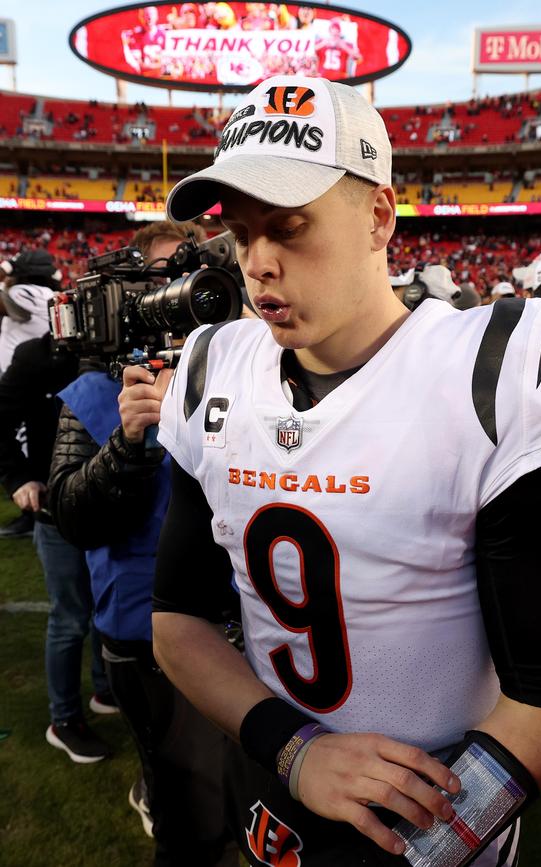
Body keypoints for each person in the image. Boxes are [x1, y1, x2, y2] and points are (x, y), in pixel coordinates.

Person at [152, 74, 541, 867]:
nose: (257, 262)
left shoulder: (492, 370)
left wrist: (417, 847)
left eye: (290, 226)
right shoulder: (212, 367)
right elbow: (177, 620)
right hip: (276, 790)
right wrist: (296, 751)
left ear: (379, 216)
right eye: (240, 232)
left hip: (441, 812)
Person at [48, 220, 238, 864]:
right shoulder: (97, 391)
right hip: (147, 631)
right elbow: (71, 516)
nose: (180, 299)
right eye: (164, 282)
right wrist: (126, 448)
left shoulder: (254, 376)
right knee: (195, 820)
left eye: (193, 282)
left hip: (257, 628)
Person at [0, 332, 117, 763]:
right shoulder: (38, 356)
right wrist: (17, 479)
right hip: (56, 507)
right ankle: (63, 719)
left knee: (108, 604)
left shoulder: (128, 346)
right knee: (70, 618)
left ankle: (105, 689)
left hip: (110, 502)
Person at [0, 249, 62, 538]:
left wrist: (6, 275)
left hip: (26, 378)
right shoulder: (53, 294)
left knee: (28, 451)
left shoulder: (25, 291)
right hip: (45, 379)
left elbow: (10, 302)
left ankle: (30, 514)